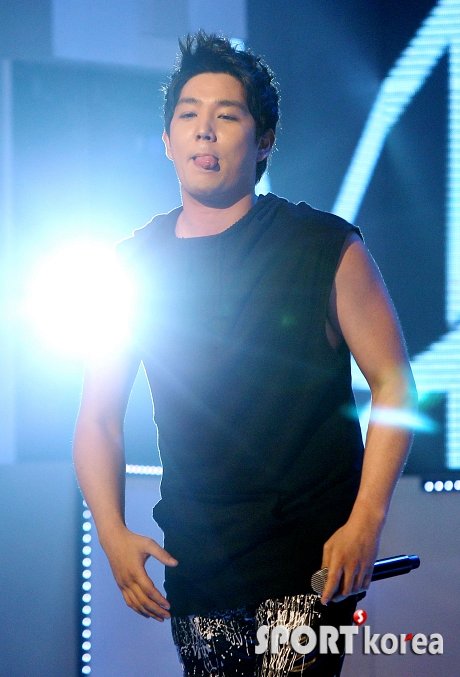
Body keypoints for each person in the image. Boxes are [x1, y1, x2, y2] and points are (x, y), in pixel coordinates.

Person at [73, 31, 417, 676]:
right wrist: (111, 531)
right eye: (189, 114)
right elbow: (97, 418)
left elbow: (395, 384)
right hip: (198, 567)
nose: (204, 130)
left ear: (264, 142)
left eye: (227, 115)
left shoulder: (323, 246)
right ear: (168, 139)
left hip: (306, 567)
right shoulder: (133, 265)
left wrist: (366, 520)